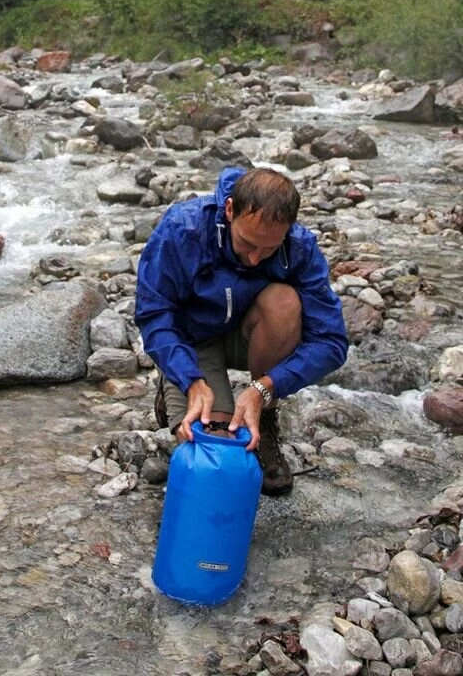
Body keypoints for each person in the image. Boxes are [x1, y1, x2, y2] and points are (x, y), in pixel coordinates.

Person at [134, 166, 348, 496]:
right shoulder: (183, 229)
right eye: (247, 243)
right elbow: (154, 314)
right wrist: (189, 379)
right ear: (230, 209)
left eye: (268, 249)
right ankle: (176, 386)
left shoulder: (299, 248)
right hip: (194, 343)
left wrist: (265, 388)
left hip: (250, 336)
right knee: (214, 456)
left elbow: (331, 342)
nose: (253, 258)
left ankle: (263, 416)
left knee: (284, 303)